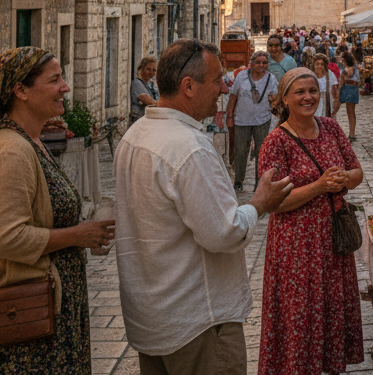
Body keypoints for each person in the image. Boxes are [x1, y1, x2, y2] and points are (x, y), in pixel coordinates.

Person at [114, 39, 293, 375]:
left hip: (153, 319)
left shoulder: (135, 136)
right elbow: (224, 233)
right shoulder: (189, 147)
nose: (224, 89)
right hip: (197, 322)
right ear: (188, 86)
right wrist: (259, 204)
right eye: (217, 80)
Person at [0, 47, 115, 375]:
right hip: (30, 332)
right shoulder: (12, 152)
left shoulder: (31, 142)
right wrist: (77, 235)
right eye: (54, 80)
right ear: (21, 91)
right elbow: (5, 237)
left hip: (52, 317)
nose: (65, 87)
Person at [256, 68, 365, 374]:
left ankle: (329, 365)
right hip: (297, 246)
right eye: (300, 92)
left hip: (333, 240)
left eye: (313, 91)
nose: (308, 97)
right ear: (285, 99)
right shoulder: (276, 142)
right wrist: (319, 186)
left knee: (331, 306)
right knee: (300, 312)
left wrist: (344, 178)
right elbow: (272, 202)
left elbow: (356, 171)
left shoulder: (331, 128)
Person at [227, 51, 275, 191]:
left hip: (263, 120)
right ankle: (238, 181)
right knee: (241, 151)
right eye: (258, 62)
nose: (261, 65)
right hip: (241, 120)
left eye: (264, 62)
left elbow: (275, 98)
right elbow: (233, 96)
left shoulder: (271, 78)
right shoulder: (242, 76)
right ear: (252, 63)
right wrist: (229, 117)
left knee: (261, 152)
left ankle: (259, 183)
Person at [338, 51, 361, 142]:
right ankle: (352, 133)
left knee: (349, 113)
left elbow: (341, 82)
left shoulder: (345, 71)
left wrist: (337, 93)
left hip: (347, 90)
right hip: (354, 90)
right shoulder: (356, 68)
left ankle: (351, 134)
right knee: (352, 113)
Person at [131, 56, 159, 123]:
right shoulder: (136, 83)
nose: (151, 73)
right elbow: (148, 101)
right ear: (142, 69)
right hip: (138, 123)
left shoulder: (150, 85)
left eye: (154, 70)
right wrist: (164, 105)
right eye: (148, 69)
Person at [311, 53, 340, 119]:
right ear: (314, 65)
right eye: (317, 64)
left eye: (322, 64)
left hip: (327, 104)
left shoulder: (330, 75)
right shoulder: (310, 75)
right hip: (314, 104)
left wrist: (335, 110)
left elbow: (335, 93)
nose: (319, 66)